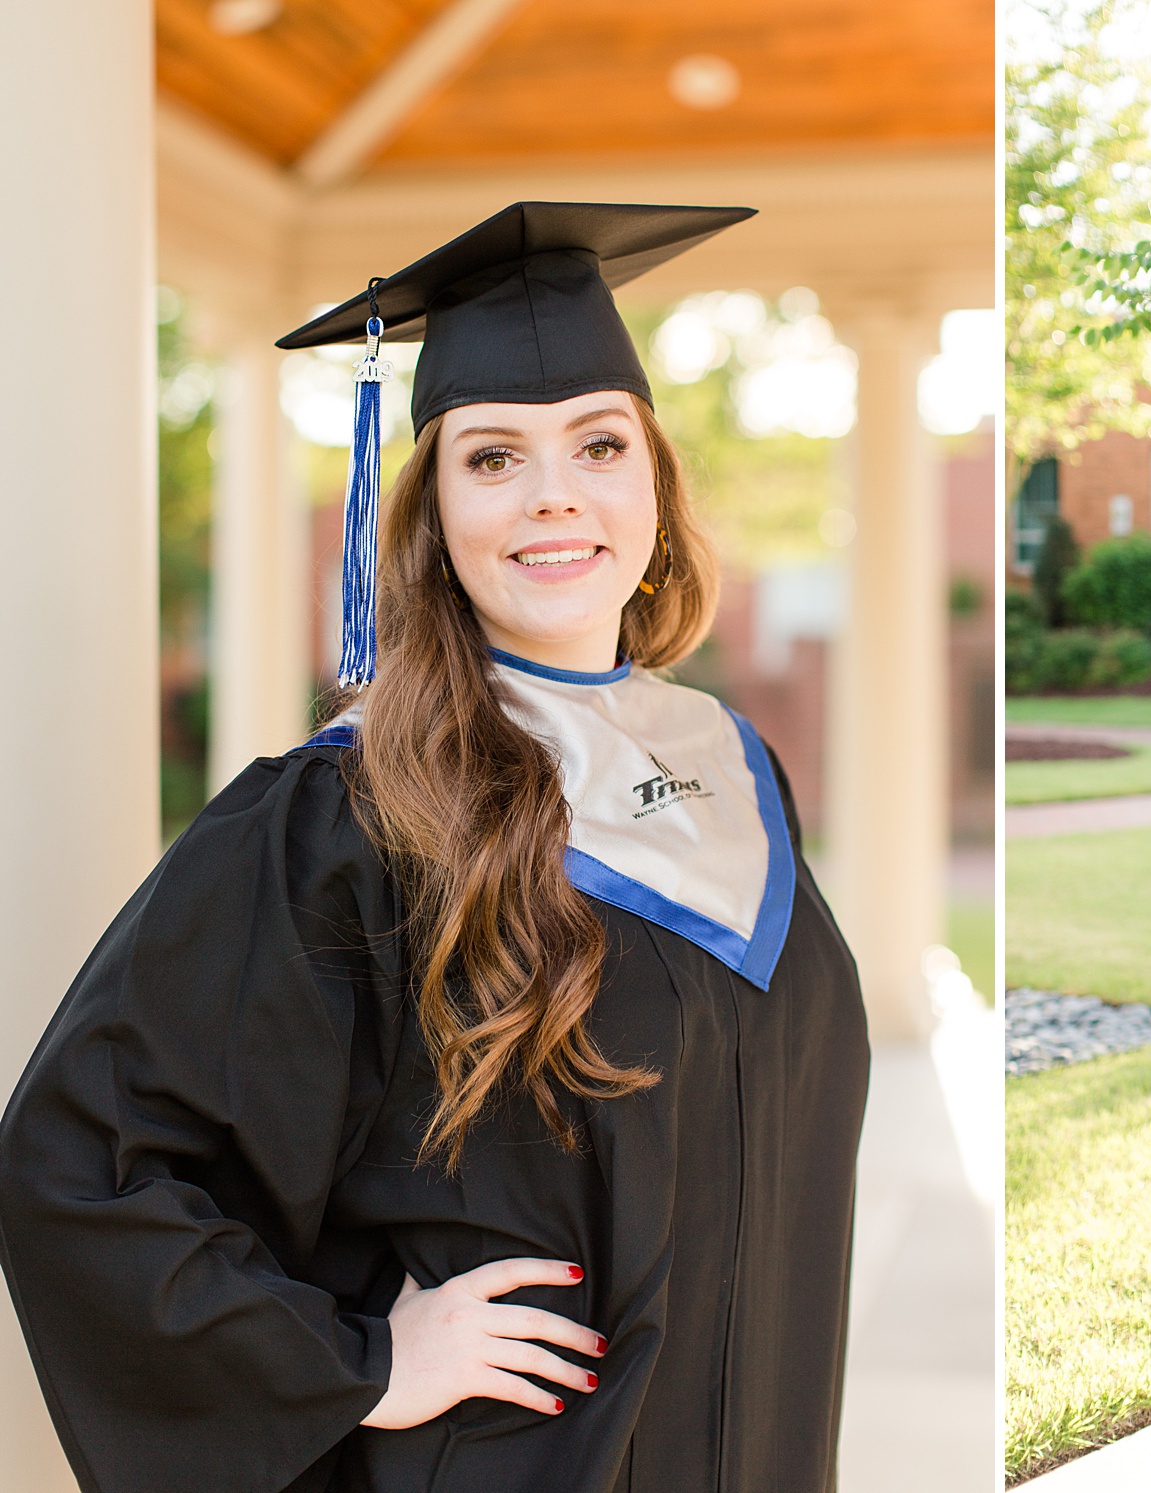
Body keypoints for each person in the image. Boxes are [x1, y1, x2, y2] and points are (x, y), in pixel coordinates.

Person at [0, 202, 870, 1493]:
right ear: (431, 511)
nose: (554, 493)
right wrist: (362, 1363)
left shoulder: (729, 761)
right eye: (492, 458)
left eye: (597, 443)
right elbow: (81, 1159)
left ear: (654, 484)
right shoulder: (345, 810)